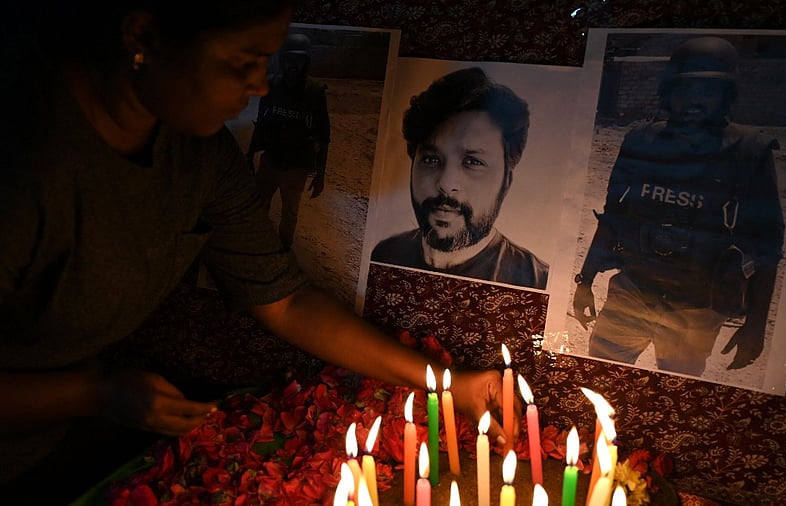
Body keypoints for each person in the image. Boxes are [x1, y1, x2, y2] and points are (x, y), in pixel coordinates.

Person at [0, 2, 512, 502]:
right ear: (142, 37)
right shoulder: (28, 159)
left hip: (57, 448)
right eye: (243, 61)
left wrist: (449, 385)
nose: (261, 86)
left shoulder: (197, 153)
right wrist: (94, 393)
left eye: (267, 61)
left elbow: (283, 300)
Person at [572, 36, 785, 377]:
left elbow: (768, 248)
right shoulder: (641, 141)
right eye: (684, 89)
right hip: (633, 291)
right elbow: (613, 216)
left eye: (708, 91)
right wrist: (586, 282)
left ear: (727, 96)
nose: (693, 101)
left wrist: (755, 325)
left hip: (696, 307)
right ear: (668, 93)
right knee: (600, 375)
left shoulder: (748, 152)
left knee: (676, 388)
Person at [370, 67, 550, 290]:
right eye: (430, 159)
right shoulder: (385, 255)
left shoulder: (535, 281)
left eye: (473, 162)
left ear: (506, 182)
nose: (446, 184)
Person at [246, 31, 330, 249]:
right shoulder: (272, 85)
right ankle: (256, 246)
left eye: (298, 60)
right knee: (258, 208)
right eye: (289, 59)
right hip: (270, 160)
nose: (293, 65)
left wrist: (320, 174)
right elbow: (261, 123)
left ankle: (282, 250)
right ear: (282, 60)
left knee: (289, 214)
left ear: (306, 62)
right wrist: (249, 155)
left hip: (296, 167)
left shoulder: (314, 92)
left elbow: (324, 135)